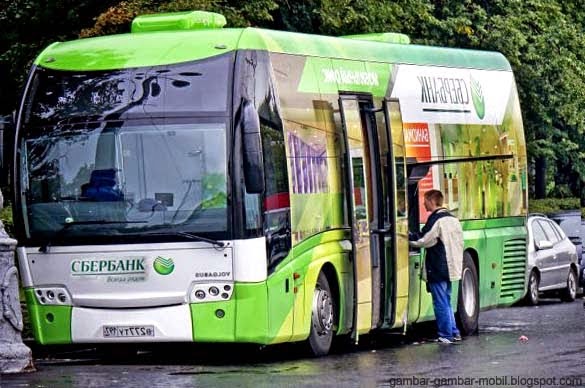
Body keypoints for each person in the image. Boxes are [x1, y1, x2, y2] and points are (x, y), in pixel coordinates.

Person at [409, 189, 464, 344]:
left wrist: (405, 237)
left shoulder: (436, 219)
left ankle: (446, 334)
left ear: (432, 201)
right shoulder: (453, 219)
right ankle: (454, 332)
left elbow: (424, 239)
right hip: (452, 267)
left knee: (440, 302)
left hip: (439, 267)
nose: (423, 203)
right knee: (446, 300)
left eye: (425, 200)